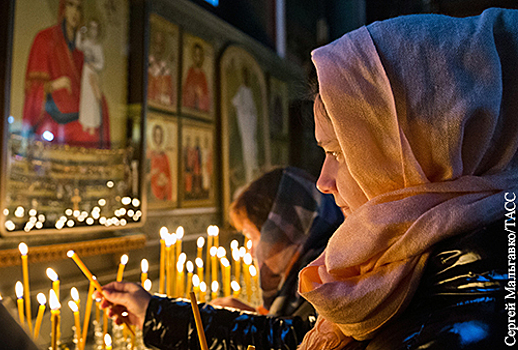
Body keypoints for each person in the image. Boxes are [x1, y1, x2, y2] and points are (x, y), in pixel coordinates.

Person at [298, 8, 516, 349]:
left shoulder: (450, 333)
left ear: (420, 151)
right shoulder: (402, 268)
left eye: (340, 153)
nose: (323, 182)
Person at [97, 167, 344, 350]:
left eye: (252, 236)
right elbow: (284, 333)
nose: (249, 250)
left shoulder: (328, 280)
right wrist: (249, 318)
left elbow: (293, 342)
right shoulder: (313, 271)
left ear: (283, 231)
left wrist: (158, 313)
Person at [22, 0, 111, 148]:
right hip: (53, 120)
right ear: (63, 8)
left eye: (79, 8)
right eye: (70, 5)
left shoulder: (82, 49)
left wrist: (98, 97)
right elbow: (32, 88)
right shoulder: (44, 39)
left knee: (91, 132)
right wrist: (55, 85)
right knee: (86, 135)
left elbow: (87, 88)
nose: (75, 12)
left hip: (79, 116)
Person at [76, 18, 105, 136]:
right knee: (86, 97)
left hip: (93, 74)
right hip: (86, 72)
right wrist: (79, 33)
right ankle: (85, 123)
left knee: (92, 99)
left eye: (95, 28)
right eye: (91, 28)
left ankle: (92, 124)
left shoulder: (98, 47)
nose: (93, 31)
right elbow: (78, 46)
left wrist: (94, 65)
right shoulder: (86, 43)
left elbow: (101, 63)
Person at [232, 67, 259, 184]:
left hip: (250, 122)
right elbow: (236, 103)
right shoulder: (241, 90)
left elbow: (253, 110)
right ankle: (249, 175)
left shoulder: (250, 91)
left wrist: (251, 115)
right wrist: (245, 113)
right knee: (248, 146)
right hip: (244, 123)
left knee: (252, 146)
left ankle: (252, 172)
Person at [148, 30, 174, 107]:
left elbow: (170, 99)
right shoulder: (147, 66)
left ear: (164, 47)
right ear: (152, 45)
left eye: (161, 45)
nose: (158, 48)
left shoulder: (167, 71)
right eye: (156, 44)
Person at [182, 43, 210, 112]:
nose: (198, 58)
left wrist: (201, 95)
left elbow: (206, 97)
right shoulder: (190, 72)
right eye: (196, 55)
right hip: (190, 109)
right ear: (193, 56)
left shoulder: (203, 75)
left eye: (200, 55)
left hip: (200, 110)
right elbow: (185, 93)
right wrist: (191, 91)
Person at [147, 124, 172, 201]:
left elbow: (169, 177)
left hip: (163, 192)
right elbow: (144, 177)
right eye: (156, 135)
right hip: (151, 192)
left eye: (160, 136)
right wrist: (152, 173)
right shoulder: (149, 155)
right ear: (153, 137)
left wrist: (165, 179)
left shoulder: (165, 156)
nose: (158, 138)